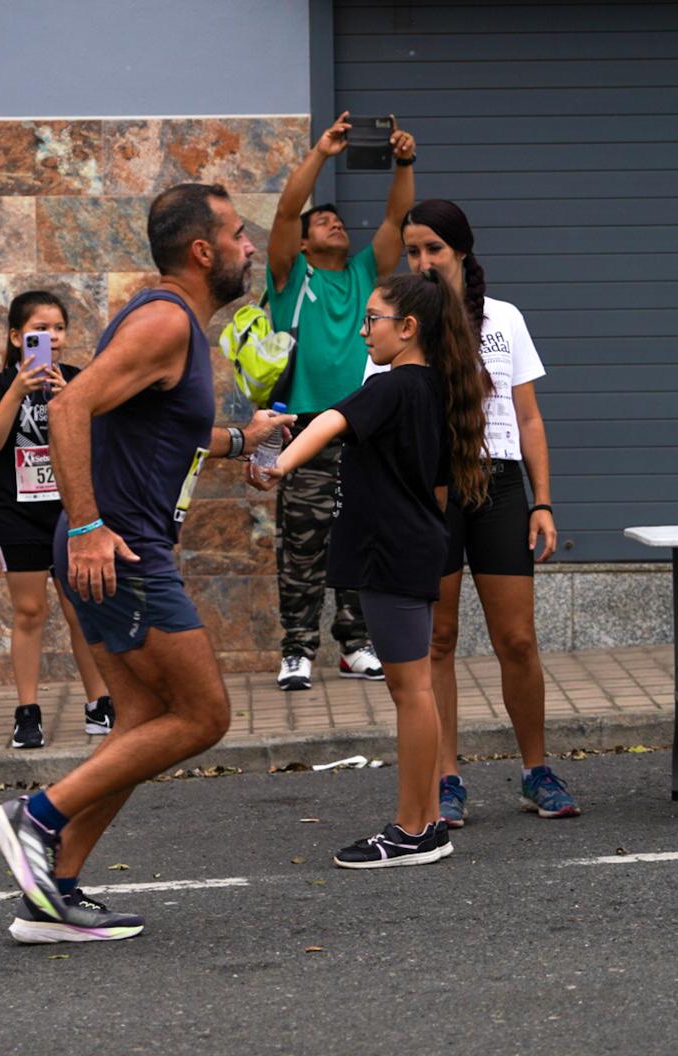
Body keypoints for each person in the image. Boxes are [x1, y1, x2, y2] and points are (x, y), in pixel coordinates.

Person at [0, 184, 294, 942]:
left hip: (112, 540)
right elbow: (68, 407)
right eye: (238, 235)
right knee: (204, 713)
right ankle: (38, 816)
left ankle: (51, 893)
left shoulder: (170, 321)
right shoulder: (163, 321)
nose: (249, 247)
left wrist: (239, 441)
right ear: (202, 250)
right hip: (117, 546)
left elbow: (156, 431)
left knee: (144, 718)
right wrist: (88, 525)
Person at [251, 269, 489, 868]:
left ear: (408, 329)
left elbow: (331, 421)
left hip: (393, 552)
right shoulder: (435, 388)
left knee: (411, 693)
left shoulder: (392, 386)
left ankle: (413, 829)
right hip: (410, 547)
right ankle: (426, 821)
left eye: (373, 320)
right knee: (416, 691)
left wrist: (279, 466)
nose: (364, 332)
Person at [401, 199, 578, 823]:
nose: (422, 262)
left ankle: (537, 770)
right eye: (413, 251)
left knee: (518, 640)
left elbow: (528, 418)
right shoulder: (400, 322)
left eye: (434, 250)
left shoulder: (503, 318)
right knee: (439, 640)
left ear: (462, 251)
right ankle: (447, 779)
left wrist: (544, 502)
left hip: (499, 486)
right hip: (433, 492)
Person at [262, 111, 417, 691]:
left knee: (359, 534)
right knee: (301, 546)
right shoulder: (287, 275)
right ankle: (297, 650)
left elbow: (398, 218)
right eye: (321, 221)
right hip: (301, 428)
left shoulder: (362, 274)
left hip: (361, 426)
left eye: (335, 219)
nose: (332, 224)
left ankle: (355, 645)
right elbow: (284, 211)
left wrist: (403, 162)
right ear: (302, 242)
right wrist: (323, 151)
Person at [0, 290, 115, 749]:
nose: (50, 337)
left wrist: (66, 396)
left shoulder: (77, 379)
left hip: (69, 511)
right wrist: (18, 390)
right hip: (17, 513)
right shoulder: (0, 385)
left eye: (58, 328)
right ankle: (27, 711)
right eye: (38, 329)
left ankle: (100, 704)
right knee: (30, 611)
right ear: (16, 337)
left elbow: (99, 441)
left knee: (81, 609)